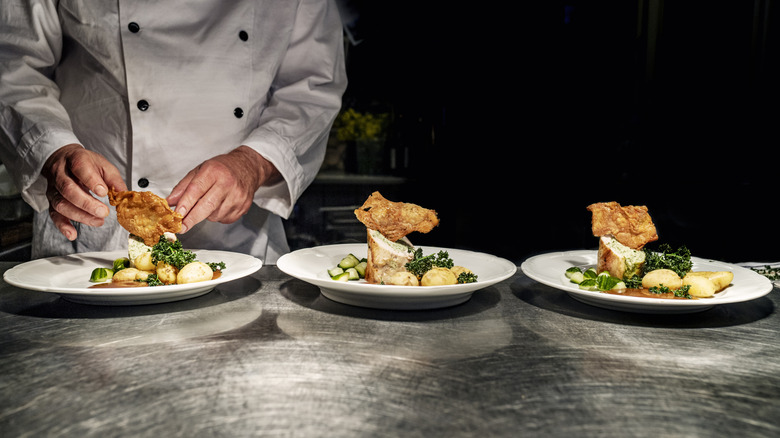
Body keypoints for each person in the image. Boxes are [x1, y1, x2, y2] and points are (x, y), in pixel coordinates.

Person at [0, 0, 347, 264]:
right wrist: (53, 151)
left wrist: (253, 163)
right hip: (93, 225)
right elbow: (13, 65)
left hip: (236, 239)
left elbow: (312, 86)